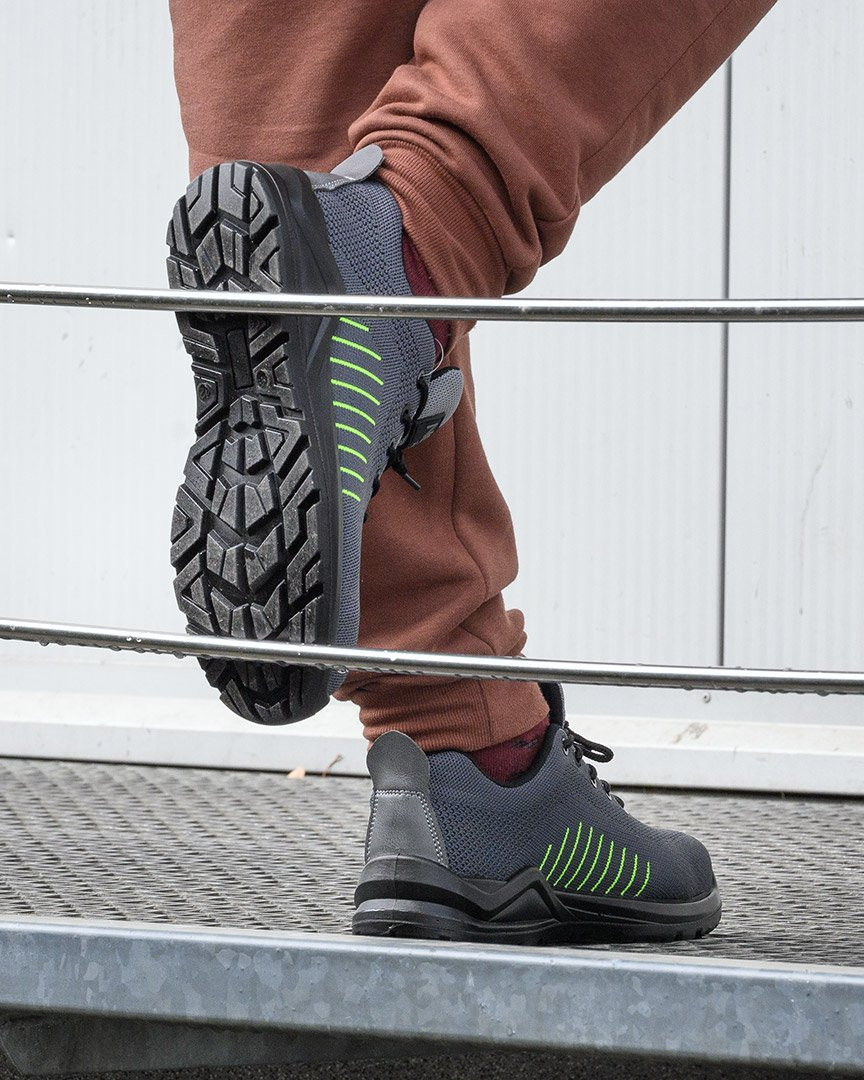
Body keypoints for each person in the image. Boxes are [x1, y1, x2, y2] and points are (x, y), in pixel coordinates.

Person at [166, 0, 776, 944]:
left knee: (306, 76)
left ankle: (457, 742)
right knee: (355, 262)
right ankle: (403, 251)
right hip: (402, 259)